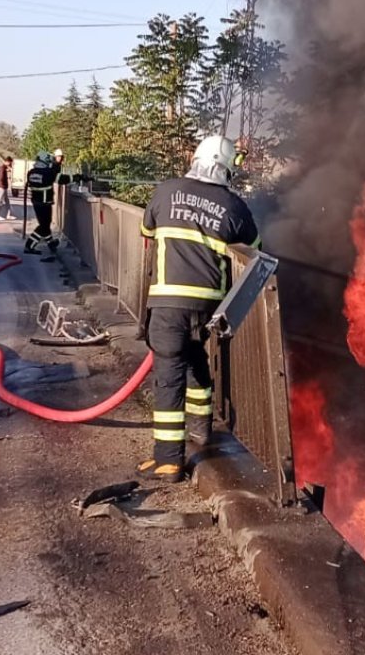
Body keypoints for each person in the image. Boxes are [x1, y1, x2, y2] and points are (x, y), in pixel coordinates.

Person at [136, 135, 260, 483]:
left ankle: (168, 460)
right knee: (194, 360)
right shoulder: (233, 206)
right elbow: (255, 248)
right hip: (208, 309)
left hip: (168, 303)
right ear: (226, 169)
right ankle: (201, 428)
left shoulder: (166, 190)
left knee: (168, 378)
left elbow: (146, 228)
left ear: (195, 159)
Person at [23, 148, 70, 254]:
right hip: (44, 203)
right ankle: (29, 245)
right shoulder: (47, 173)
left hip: (36, 202)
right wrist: (79, 177)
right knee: (44, 226)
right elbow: (62, 179)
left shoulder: (31, 173)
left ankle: (50, 243)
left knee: (45, 224)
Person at [0, 156, 14, 221]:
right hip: (2, 187)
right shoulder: (2, 168)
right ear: (7, 162)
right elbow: (1, 178)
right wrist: (2, 186)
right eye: (10, 163)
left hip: (4, 187)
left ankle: (8, 215)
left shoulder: (4, 168)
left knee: (7, 201)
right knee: (0, 201)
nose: (10, 164)